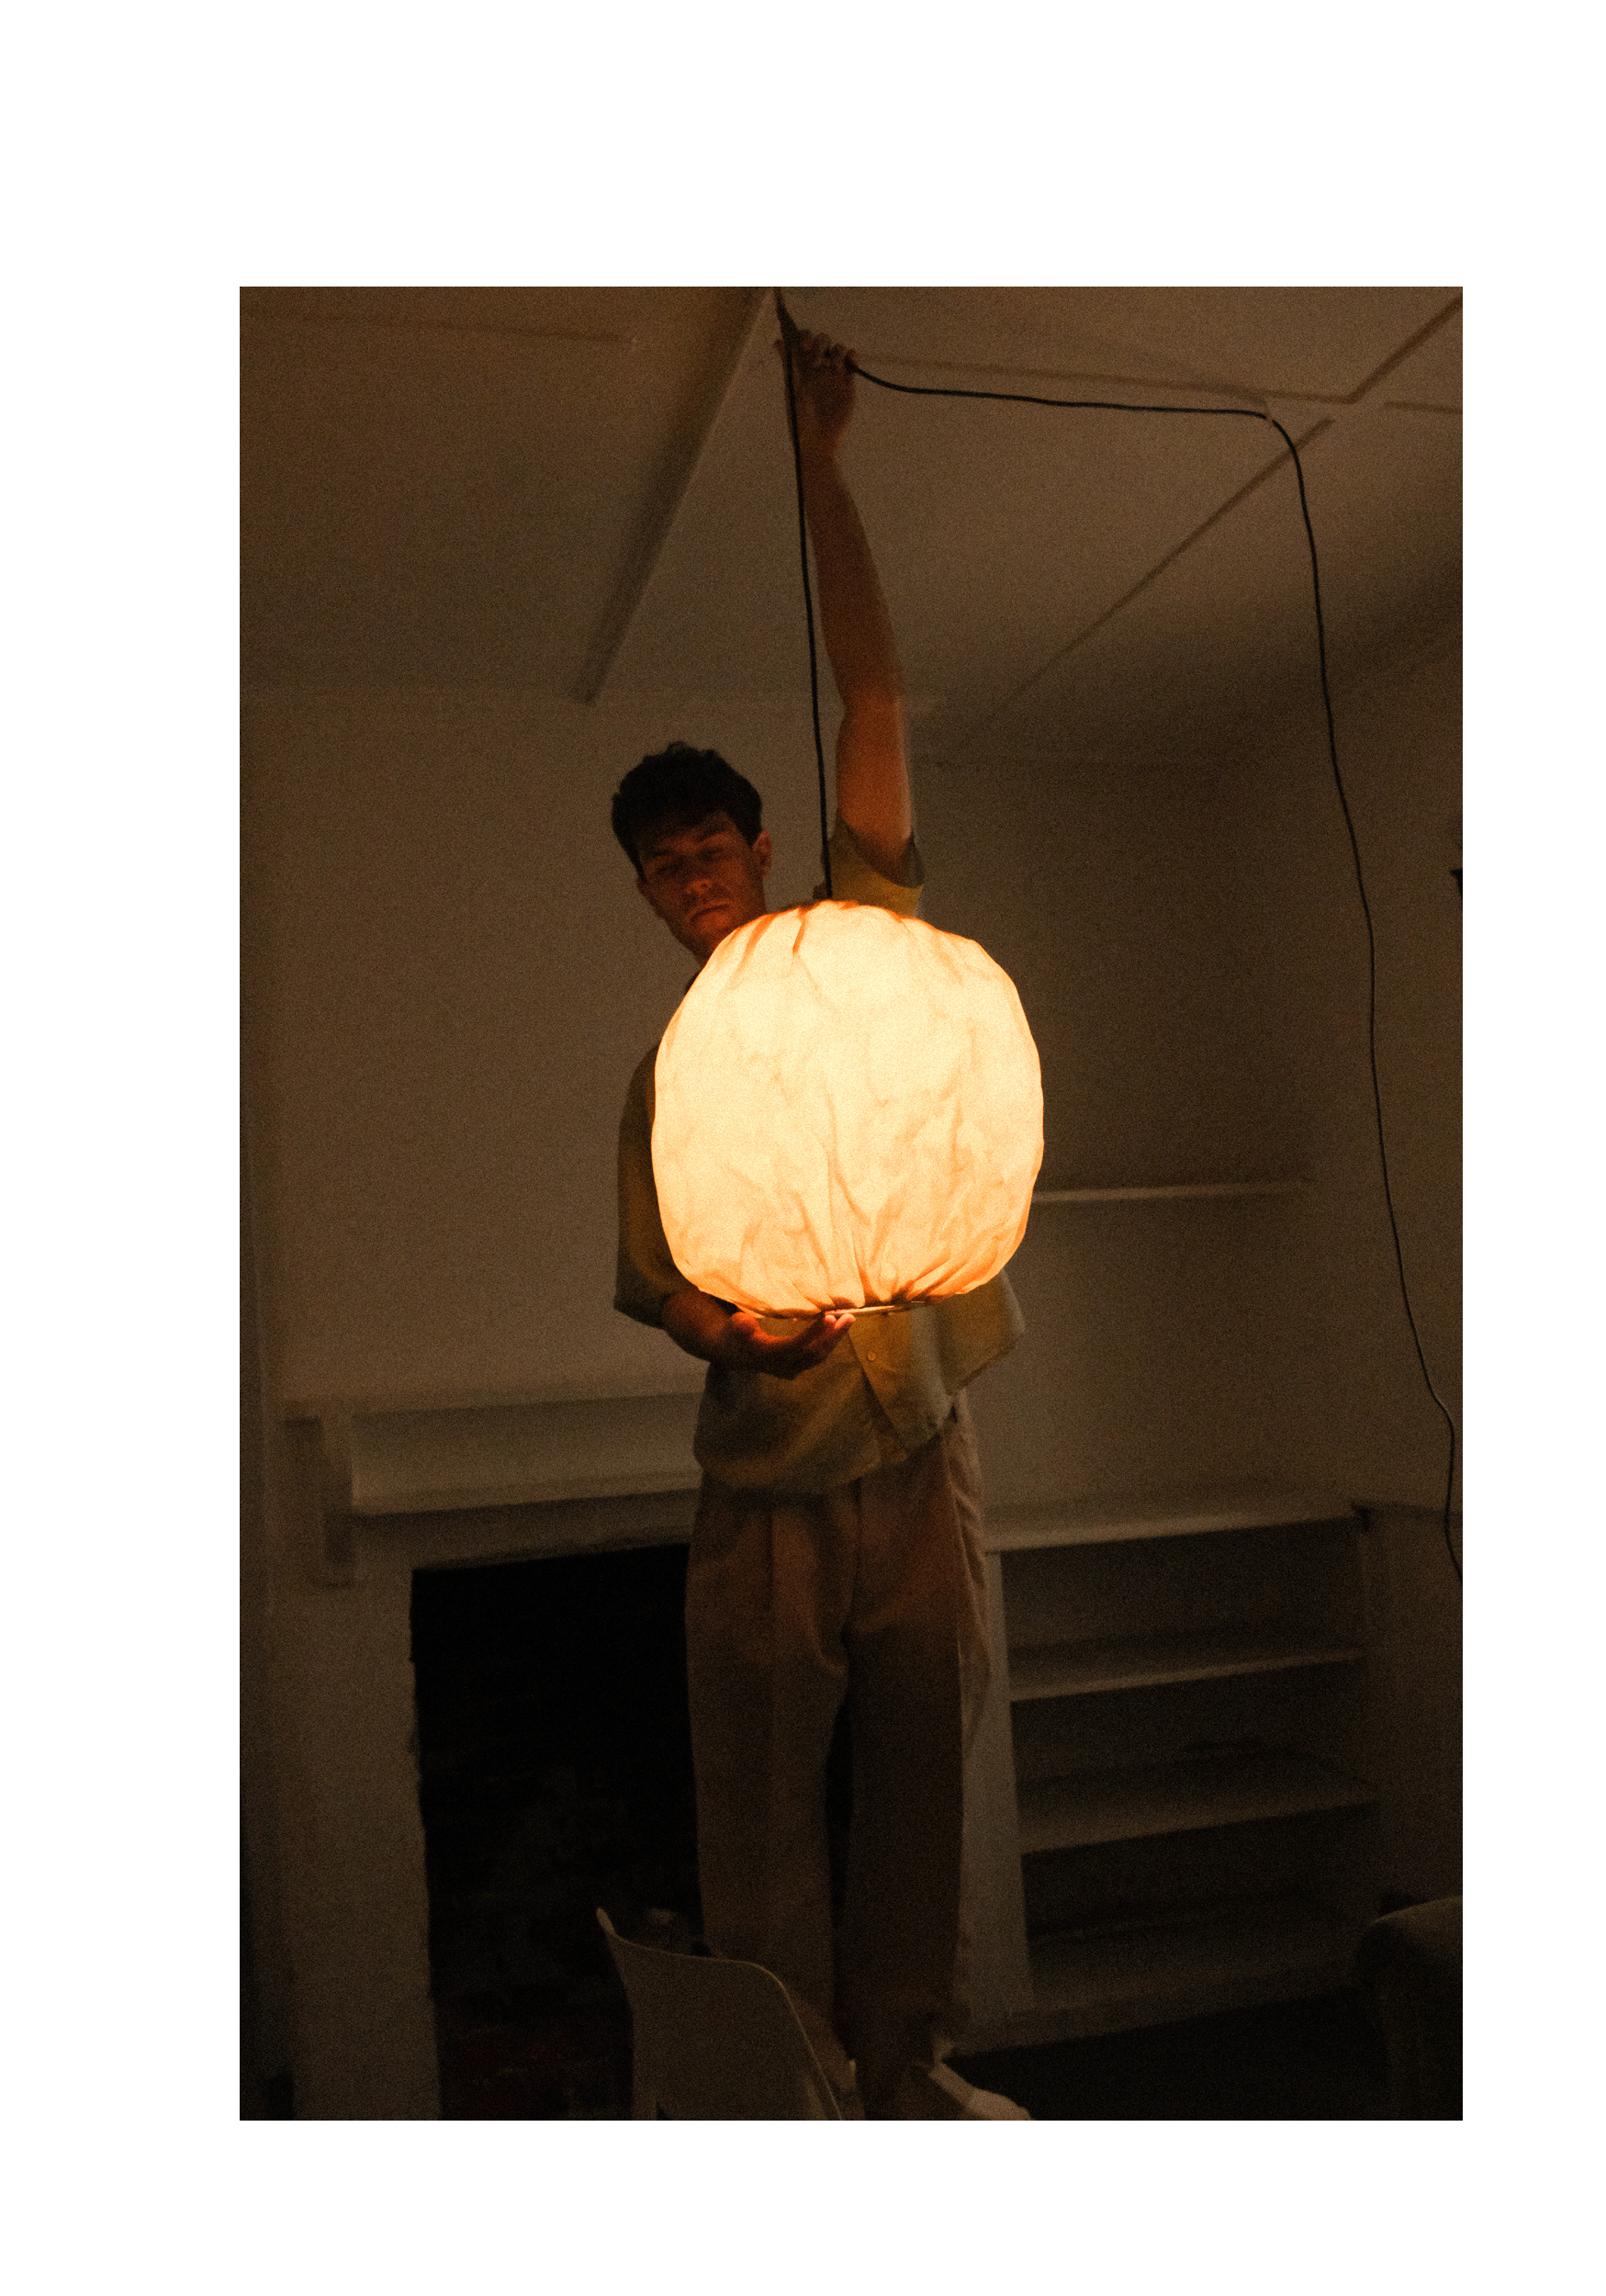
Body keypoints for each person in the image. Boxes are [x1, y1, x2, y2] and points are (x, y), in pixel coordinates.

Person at [609, 328, 1028, 2121]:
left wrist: (823, 470)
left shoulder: (864, 943)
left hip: (915, 1441)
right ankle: (790, 2095)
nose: (697, 873)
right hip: (765, 1482)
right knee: (762, 1794)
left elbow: (874, 702)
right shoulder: (677, 1078)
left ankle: (910, 2066)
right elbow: (662, 1289)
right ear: (649, 893)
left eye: (714, 843)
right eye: (665, 864)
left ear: (763, 845)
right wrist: (736, 1327)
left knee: (925, 1761)